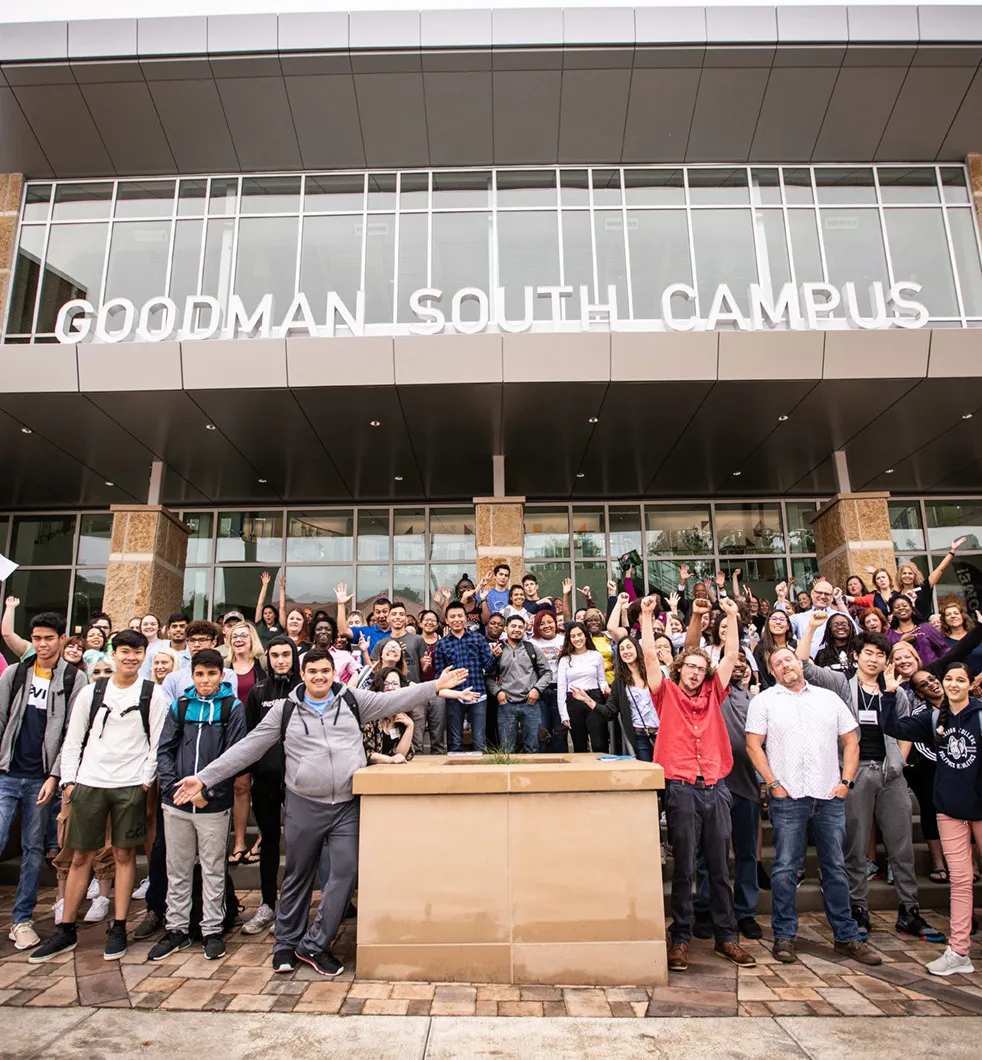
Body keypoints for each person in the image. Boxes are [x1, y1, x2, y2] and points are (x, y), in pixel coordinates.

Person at [173, 650, 468, 975]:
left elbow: (392, 701)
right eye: (312, 671)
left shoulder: (352, 699)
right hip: (303, 804)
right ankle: (285, 944)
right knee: (298, 876)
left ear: (332, 673)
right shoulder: (285, 710)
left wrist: (433, 686)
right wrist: (204, 777)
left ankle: (314, 945)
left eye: (324, 671)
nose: (318, 676)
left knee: (344, 874)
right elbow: (249, 747)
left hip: (345, 807)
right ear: (303, 673)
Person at [796, 619, 944, 944]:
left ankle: (909, 911)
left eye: (880, 654)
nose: (874, 659)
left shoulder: (897, 693)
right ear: (857, 655)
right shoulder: (840, 685)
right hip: (855, 772)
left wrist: (900, 762)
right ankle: (859, 908)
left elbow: (904, 730)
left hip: (890, 774)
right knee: (855, 845)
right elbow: (805, 667)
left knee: (901, 845)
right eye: (868, 653)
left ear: (886, 660)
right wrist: (811, 628)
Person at [28, 629, 168, 963]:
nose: (130, 657)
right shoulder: (93, 691)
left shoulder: (152, 694)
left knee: (122, 856)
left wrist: (145, 783)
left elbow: (157, 744)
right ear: (114, 653)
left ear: (143, 655)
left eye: (137, 652)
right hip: (90, 782)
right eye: (124, 651)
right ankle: (65, 929)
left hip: (130, 785)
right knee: (80, 856)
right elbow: (73, 739)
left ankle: (118, 926)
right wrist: (70, 781)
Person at [744, 642, 882, 967]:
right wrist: (773, 784)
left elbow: (851, 741)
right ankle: (785, 936)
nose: (785, 665)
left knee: (835, 868)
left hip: (828, 796)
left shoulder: (828, 698)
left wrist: (846, 783)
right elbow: (753, 745)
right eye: (778, 663)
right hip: (788, 798)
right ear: (772, 671)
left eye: (789, 659)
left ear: (799, 662)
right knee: (784, 869)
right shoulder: (763, 702)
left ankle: (846, 937)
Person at [641, 595, 756, 970]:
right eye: (687, 666)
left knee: (721, 866)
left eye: (698, 667)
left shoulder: (714, 692)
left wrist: (733, 616)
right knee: (686, 866)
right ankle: (681, 938)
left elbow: (731, 653)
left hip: (716, 787)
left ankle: (725, 937)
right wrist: (644, 616)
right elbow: (647, 657)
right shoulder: (666, 694)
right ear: (678, 670)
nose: (693, 671)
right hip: (681, 787)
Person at [879, 661, 982, 975]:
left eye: (959, 680)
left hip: (980, 809)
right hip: (949, 810)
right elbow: (893, 728)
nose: (952, 684)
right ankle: (959, 951)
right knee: (960, 882)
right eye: (948, 679)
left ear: (970, 685)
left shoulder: (979, 715)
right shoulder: (934, 716)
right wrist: (889, 693)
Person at [147, 648, 245, 961]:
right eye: (199, 674)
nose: (205, 680)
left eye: (211, 674)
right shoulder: (181, 705)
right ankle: (176, 928)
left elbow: (234, 757)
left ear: (222, 675)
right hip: (176, 801)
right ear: (192, 676)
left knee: (214, 867)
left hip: (212, 805)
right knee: (177, 867)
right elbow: (164, 750)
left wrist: (209, 792)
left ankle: (212, 928)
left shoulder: (233, 707)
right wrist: (174, 787)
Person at [0, 611, 88, 950]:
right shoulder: (14, 673)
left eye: (49, 638)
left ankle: (21, 919)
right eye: (36, 638)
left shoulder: (73, 680)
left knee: (33, 850)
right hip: (7, 772)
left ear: (61, 639)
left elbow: (72, 733)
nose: (42, 644)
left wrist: (56, 776)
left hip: (42, 778)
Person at [693, 651, 763, 942]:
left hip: (747, 784)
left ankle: (745, 912)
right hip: (715, 782)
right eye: (731, 661)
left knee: (747, 852)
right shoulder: (711, 694)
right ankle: (706, 908)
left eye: (742, 661)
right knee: (709, 852)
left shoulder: (758, 701)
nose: (738, 665)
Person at [237, 635, 301, 937]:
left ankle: (293, 905)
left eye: (286, 654)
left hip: (299, 779)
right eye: (274, 655)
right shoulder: (258, 691)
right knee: (270, 840)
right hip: (265, 778)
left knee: (301, 844)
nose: (280, 660)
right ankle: (267, 903)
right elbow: (250, 738)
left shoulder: (304, 689)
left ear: (294, 657)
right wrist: (246, 775)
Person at [226, 622, 266, 867]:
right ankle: (239, 841)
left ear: (252, 639)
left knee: (262, 788)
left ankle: (262, 837)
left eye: (244, 635)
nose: (239, 639)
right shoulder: (223, 668)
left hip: (258, 732)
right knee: (240, 788)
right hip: (233, 734)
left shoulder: (262, 668)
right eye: (235, 635)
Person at [434, 602, 496, 754]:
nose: (457, 619)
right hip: (454, 696)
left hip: (477, 694)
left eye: (460, 616)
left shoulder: (478, 639)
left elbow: (488, 667)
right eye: (452, 616)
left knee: (479, 741)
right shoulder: (442, 644)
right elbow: (439, 674)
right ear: (447, 620)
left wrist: (494, 656)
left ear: (465, 618)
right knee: (455, 741)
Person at [490, 615, 551, 753]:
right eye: (513, 626)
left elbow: (547, 673)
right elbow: (489, 676)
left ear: (524, 630)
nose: (517, 630)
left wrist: (537, 689)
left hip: (530, 703)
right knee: (507, 749)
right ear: (506, 629)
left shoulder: (532, 649)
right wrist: (497, 692)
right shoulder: (498, 650)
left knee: (532, 747)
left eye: (520, 627)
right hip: (506, 704)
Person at [370, 602, 427, 750]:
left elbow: (425, 669)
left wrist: (427, 664)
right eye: (394, 614)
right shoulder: (381, 644)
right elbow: (375, 671)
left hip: (413, 693)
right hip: (389, 695)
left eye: (401, 614)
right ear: (388, 618)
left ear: (406, 618)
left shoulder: (418, 640)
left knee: (416, 736)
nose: (397, 617)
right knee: (392, 736)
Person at [557, 621, 610, 753]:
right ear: (569, 639)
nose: (577, 639)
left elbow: (601, 680)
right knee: (579, 745)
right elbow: (561, 689)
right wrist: (564, 714)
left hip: (593, 698)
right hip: (573, 701)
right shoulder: (565, 660)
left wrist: (606, 688)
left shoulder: (596, 656)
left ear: (586, 636)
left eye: (579, 635)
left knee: (599, 743)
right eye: (573, 636)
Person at [610, 635, 657, 761]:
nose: (626, 651)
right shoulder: (619, 682)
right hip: (640, 734)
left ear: (637, 648)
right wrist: (587, 700)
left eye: (629, 647)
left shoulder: (653, 673)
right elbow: (609, 710)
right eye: (622, 649)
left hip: (661, 732)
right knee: (647, 773)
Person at [785, 579, 856, 658]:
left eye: (827, 594)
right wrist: (781, 598)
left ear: (832, 597)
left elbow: (855, 631)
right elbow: (782, 625)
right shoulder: (798, 618)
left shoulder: (838, 616)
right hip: (808, 665)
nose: (822, 596)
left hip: (833, 664)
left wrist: (839, 600)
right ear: (812, 593)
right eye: (819, 592)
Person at [530, 608, 566, 753]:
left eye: (550, 622)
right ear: (537, 626)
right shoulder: (531, 643)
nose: (547, 626)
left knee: (560, 734)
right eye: (542, 623)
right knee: (541, 734)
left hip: (560, 691)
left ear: (555, 623)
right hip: (540, 693)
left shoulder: (564, 640)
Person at [362, 667, 415, 763]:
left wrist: (410, 727)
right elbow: (365, 753)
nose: (390, 688)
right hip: (369, 773)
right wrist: (389, 759)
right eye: (386, 684)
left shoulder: (403, 716)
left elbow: (401, 756)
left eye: (395, 684)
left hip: (392, 773)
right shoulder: (370, 714)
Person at [885, 595, 949, 666]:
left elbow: (944, 651)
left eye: (905, 605)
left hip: (930, 673)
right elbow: (887, 658)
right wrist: (901, 642)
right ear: (892, 612)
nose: (901, 608)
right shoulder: (889, 634)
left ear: (911, 608)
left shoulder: (927, 627)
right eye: (897, 607)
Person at [754, 608, 795, 690]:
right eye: (774, 619)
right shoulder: (761, 649)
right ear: (768, 625)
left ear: (788, 626)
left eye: (782, 619)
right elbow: (762, 678)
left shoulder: (796, 645)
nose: (778, 622)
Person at [939, 599, 982, 677]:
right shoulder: (942, 642)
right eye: (948, 614)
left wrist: (979, 679)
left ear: (962, 616)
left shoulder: (977, 636)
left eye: (956, 613)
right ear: (944, 619)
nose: (952, 616)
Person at [254, 571, 286, 646]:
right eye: (265, 613)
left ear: (274, 615)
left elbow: (282, 607)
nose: (267, 615)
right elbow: (259, 604)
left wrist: (281, 588)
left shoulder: (280, 625)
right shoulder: (259, 624)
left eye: (270, 613)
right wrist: (265, 585)